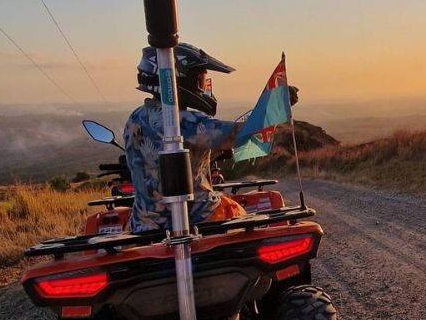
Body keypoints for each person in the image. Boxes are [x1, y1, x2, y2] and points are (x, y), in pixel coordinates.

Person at [124, 43, 297, 233]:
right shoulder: (181, 121)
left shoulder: (134, 119)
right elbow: (239, 135)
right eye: (199, 79)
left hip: (145, 226)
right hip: (196, 219)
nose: (202, 86)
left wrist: (210, 154)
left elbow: (171, 159)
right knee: (254, 228)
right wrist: (276, 103)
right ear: (178, 79)